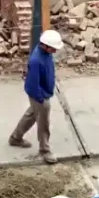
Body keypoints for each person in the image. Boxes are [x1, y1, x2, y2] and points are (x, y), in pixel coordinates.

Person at [9, 30, 63, 164]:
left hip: (43, 92)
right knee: (43, 122)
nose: (55, 51)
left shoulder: (46, 53)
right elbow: (33, 85)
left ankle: (16, 137)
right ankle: (45, 150)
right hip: (39, 95)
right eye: (53, 48)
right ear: (45, 45)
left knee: (32, 114)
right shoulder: (36, 60)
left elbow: (48, 70)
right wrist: (41, 99)